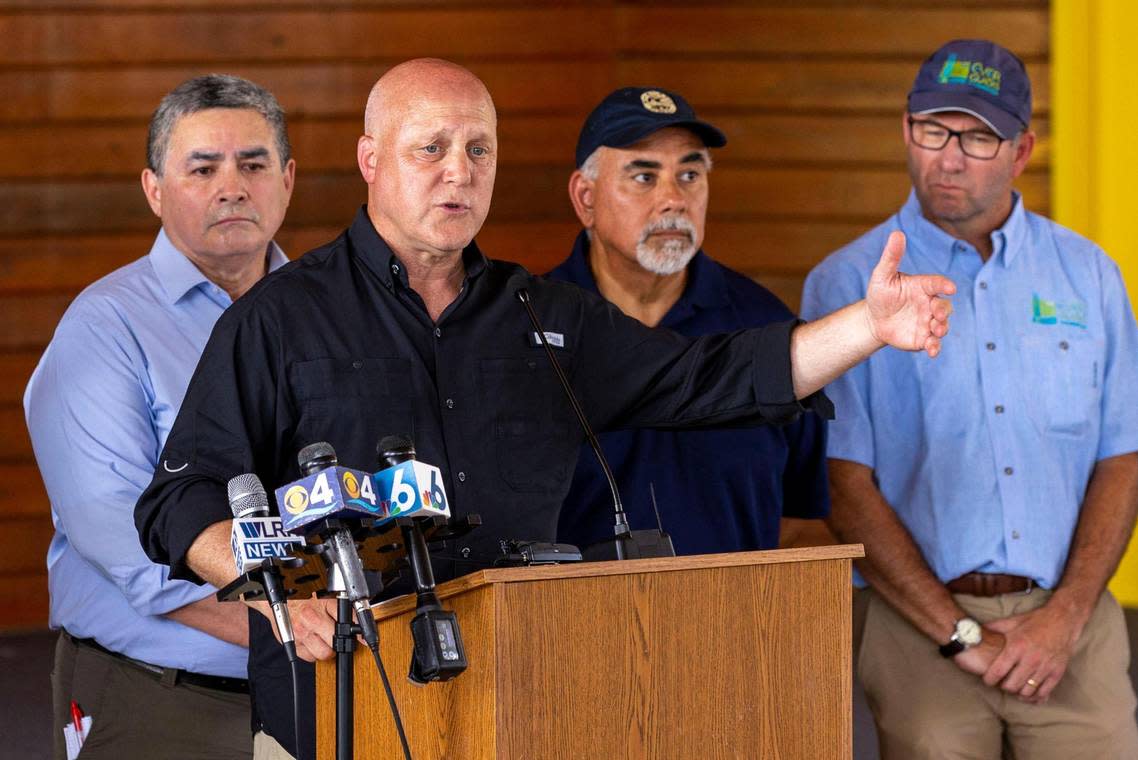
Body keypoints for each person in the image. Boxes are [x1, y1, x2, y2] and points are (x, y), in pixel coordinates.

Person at [133, 58, 954, 760]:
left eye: (479, 149)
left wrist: (870, 326)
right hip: (338, 711)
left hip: (519, 707)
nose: (459, 171)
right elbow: (181, 496)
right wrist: (276, 592)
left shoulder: (542, 315)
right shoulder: (279, 317)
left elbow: (712, 376)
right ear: (370, 160)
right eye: (432, 149)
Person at [801, 39, 1138, 759]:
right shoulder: (845, 284)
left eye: (978, 137)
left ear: (1021, 150)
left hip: (1071, 624)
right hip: (916, 623)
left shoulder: (1091, 276)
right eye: (933, 129)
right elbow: (843, 483)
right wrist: (961, 634)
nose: (948, 157)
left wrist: (1066, 616)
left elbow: (1124, 454)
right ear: (905, 129)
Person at [24, 74, 294, 759]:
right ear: (154, 189)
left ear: (288, 180)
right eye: (203, 168)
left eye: (254, 164)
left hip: (320, 686)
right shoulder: (104, 328)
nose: (232, 186)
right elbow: (124, 541)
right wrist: (291, 621)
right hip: (165, 697)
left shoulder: (328, 316)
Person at [548, 87, 828, 556]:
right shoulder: (532, 327)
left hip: (732, 620)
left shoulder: (765, 328)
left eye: (690, 174)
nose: (673, 199)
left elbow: (804, 518)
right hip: (569, 623)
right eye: (644, 176)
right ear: (585, 197)